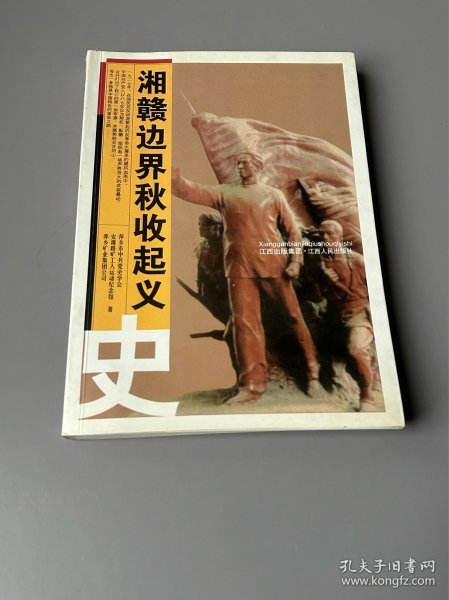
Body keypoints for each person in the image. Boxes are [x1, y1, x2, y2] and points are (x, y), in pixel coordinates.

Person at [172, 152, 321, 404]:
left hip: (274, 265)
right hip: (238, 267)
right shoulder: (225, 193)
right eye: (238, 163)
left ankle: (313, 370)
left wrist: (296, 261)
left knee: (293, 316)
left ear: (257, 166)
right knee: (244, 324)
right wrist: (177, 180)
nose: (240, 167)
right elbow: (193, 192)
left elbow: (293, 231)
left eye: (245, 163)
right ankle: (252, 385)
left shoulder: (272, 195)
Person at [319, 220, 374, 404]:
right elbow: (318, 296)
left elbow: (377, 289)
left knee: (356, 349)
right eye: (322, 234)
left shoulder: (356, 260)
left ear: (340, 236)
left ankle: (366, 394)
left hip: (358, 312)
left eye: (330, 234)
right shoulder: (322, 263)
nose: (325, 238)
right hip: (335, 315)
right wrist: (326, 281)